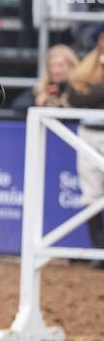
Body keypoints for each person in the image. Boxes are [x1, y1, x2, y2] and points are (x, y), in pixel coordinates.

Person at [66, 27, 104, 263]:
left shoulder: (87, 72)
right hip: (88, 133)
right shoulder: (86, 66)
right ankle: (98, 249)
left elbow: (86, 94)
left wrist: (93, 93)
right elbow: (75, 96)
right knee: (91, 193)